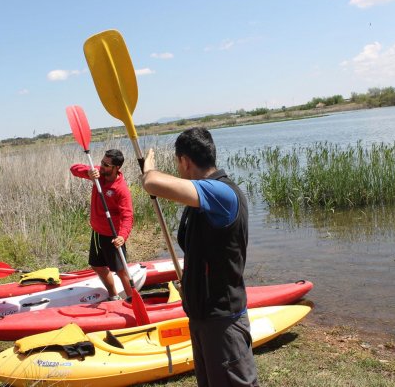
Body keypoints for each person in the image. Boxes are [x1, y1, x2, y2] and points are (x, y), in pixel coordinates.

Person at [141, 127, 258, 387]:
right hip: (201, 315)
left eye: (177, 162)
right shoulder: (202, 198)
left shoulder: (222, 194)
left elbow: (152, 183)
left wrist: (148, 168)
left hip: (224, 321)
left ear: (184, 161)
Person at [70, 149, 134, 301]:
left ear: (116, 168)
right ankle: (113, 295)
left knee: (121, 271)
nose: (102, 166)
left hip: (113, 235)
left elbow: (128, 215)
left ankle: (133, 300)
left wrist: (122, 236)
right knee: (97, 265)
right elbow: (74, 169)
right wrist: (89, 172)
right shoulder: (98, 174)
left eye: (106, 165)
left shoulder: (120, 189)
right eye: (102, 163)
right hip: (97, 232)